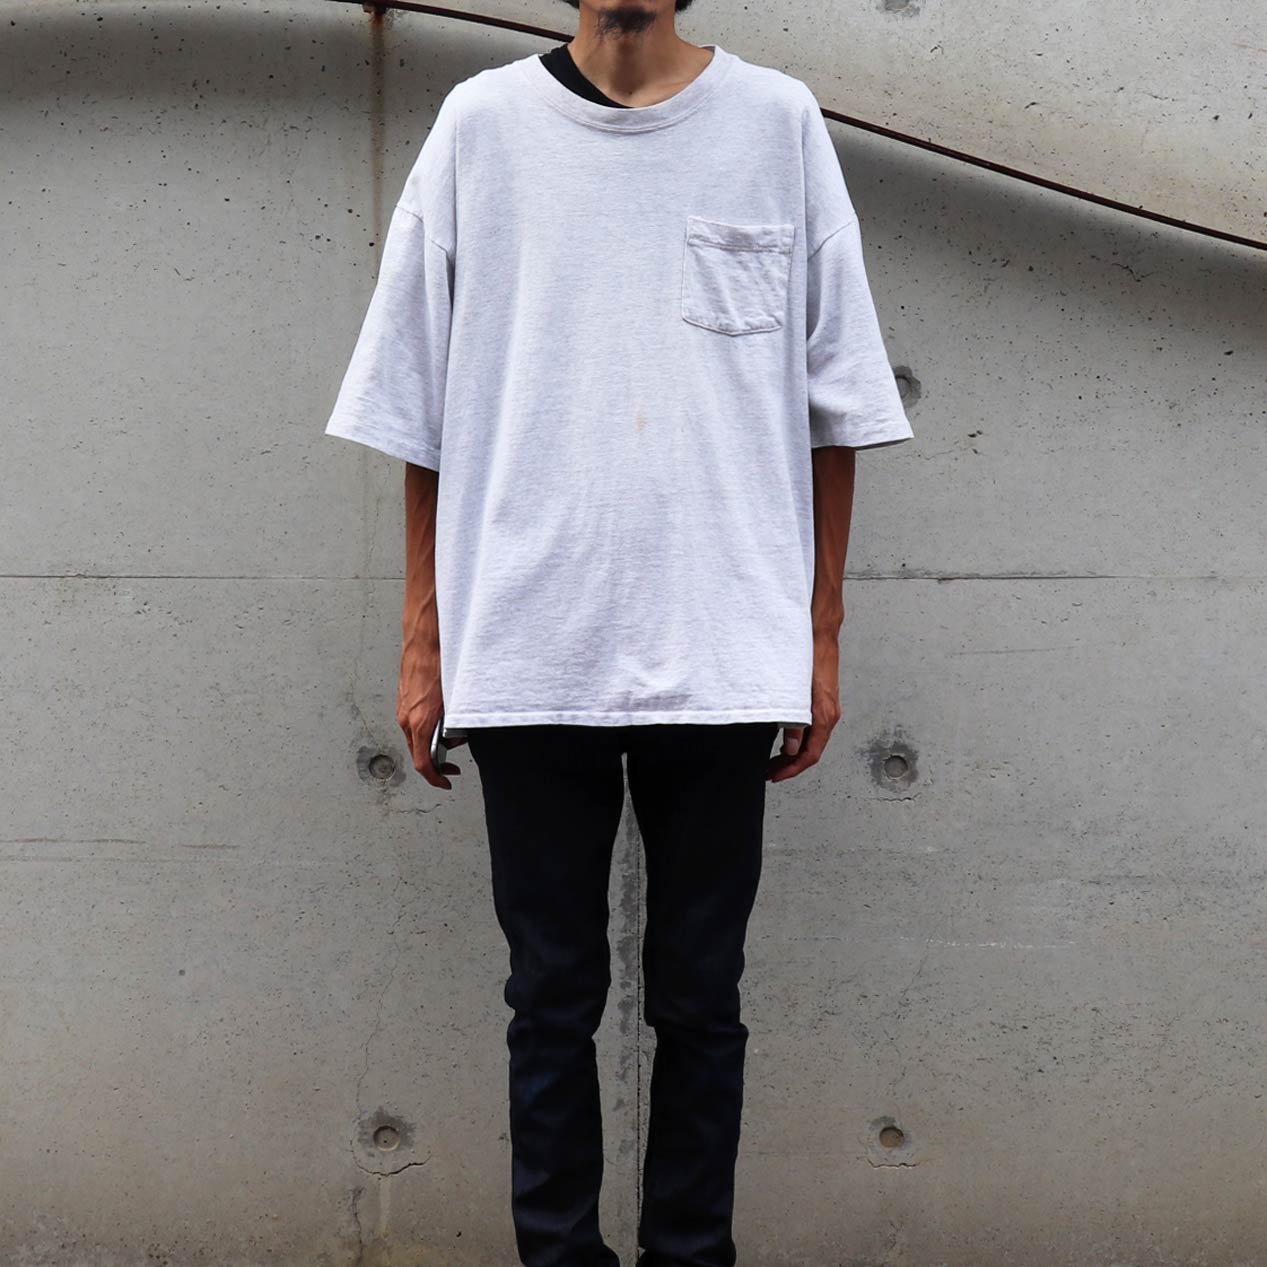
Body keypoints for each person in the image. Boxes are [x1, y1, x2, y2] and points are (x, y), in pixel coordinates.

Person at [323, 2, 914, 1264]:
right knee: (549, 999)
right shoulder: (482, 127)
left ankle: (691, 1254)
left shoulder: (774, 123)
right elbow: (417, 400)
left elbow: (836, 401)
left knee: (702, 999)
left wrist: (818, 634)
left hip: (724, 640)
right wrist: (425, 636)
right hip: (529, 636)